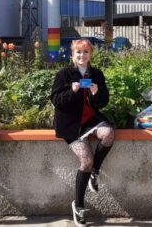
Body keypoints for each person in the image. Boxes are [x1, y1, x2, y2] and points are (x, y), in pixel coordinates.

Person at [51, 39, 114, 227]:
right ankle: (78, 205)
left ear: (90, 55)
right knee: (86, 160)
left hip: (90, 120)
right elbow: (56, 100)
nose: (82, 56)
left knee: (108, 133)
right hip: (71, 124)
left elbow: (104, 101)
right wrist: (71, 91)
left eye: (85, 52)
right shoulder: (64, 74)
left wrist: (96, 93)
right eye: (78, 53)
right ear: (72, 55)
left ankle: (95, 171)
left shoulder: (96, 74)